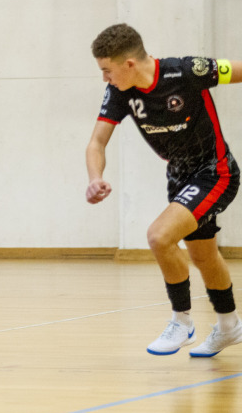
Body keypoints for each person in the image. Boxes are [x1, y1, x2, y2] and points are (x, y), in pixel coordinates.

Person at [86, 23, 242, 357]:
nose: (105, 79)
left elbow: (238, 70)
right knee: (203, 255)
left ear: (129, 64)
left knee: (159, 236)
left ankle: (181, 321)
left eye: (107, 70)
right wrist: (94, 178)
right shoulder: (120, 91)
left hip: (215, 171)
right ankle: (229, 327)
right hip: (179, 177)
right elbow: (96, 142)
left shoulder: (187, 71)